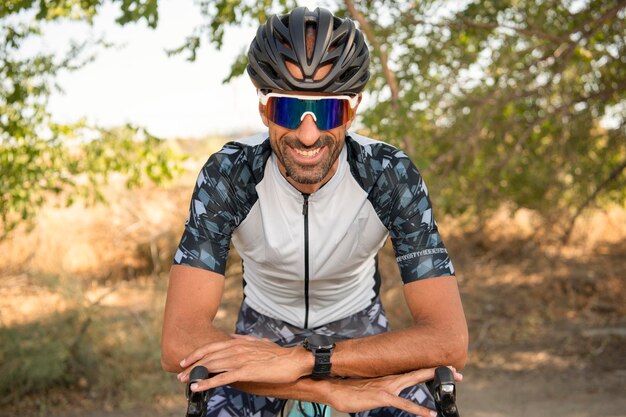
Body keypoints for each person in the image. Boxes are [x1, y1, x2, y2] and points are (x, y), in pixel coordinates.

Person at [161, 6, 468, 417]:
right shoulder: (229, 174)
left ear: (353, 109)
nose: (308, 135)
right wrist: (326, 390)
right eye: (288, 109)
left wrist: (306, 360)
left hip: (359, 325)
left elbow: (449, 340)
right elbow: (179, 342)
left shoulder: (389, 175)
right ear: (264, 108)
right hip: (263, 329)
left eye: (328, 109)